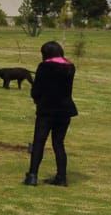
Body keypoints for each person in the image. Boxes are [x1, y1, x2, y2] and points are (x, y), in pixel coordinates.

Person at [24, 41, 78, 187]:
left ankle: (32, 175)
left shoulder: (44, 67)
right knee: (58, 143)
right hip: (65, 110)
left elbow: (37, 89)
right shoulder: (70, 67)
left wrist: (36, 99)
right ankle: (61, 176)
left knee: (39, 142)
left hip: (47, 110)